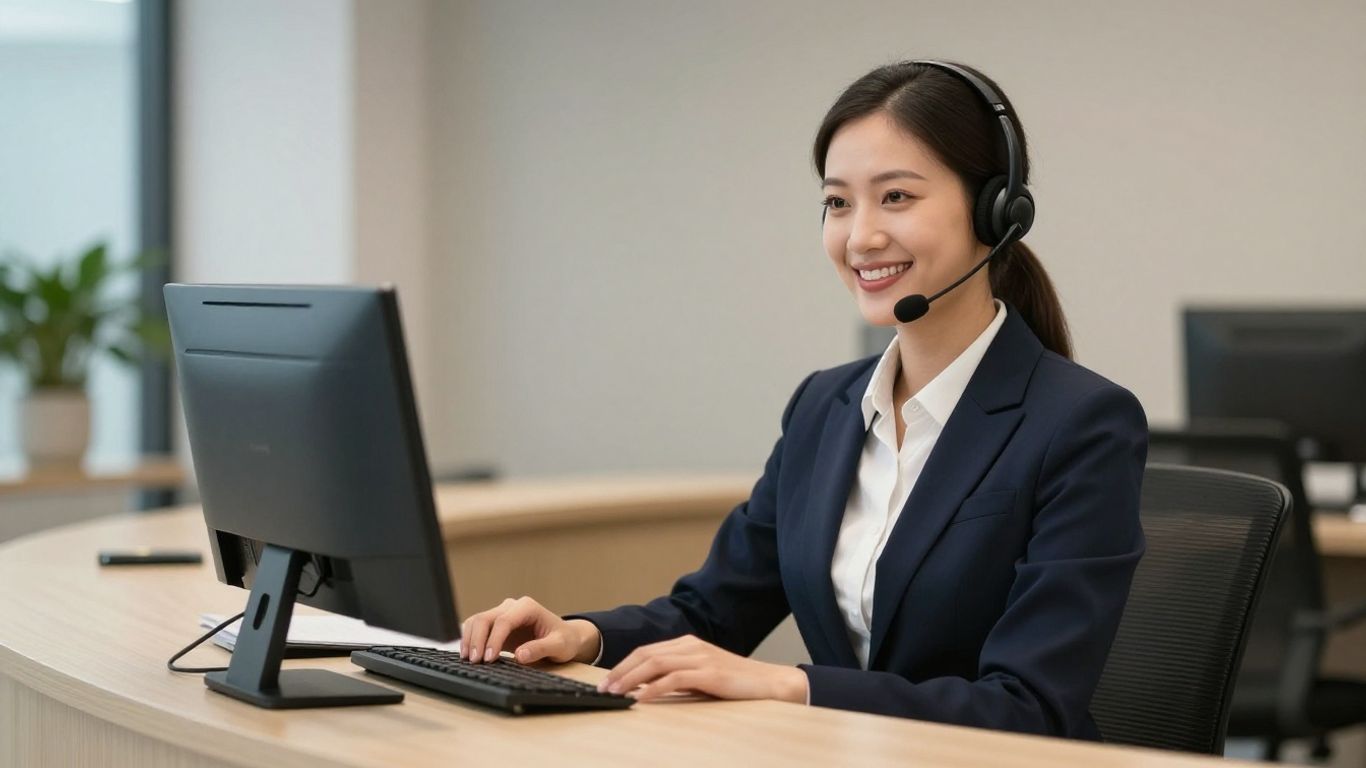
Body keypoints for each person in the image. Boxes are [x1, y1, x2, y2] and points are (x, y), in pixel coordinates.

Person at [459, 60, 1147, 740]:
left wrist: (794, 684)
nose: (860, 237)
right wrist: (580, 635)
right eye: (838, 202)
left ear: (996, 210)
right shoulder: (825, 407)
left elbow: (1031, 706)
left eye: (897, 197)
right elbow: (713, 609)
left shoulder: (1081, 424)